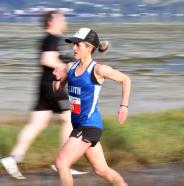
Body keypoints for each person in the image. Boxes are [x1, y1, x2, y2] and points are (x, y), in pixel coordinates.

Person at [0, 11, 80, 179]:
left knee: (37, 123)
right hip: (53, 86)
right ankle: (63, 162)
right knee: (70, 119)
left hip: (45, 85)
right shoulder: (52, 38)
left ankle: (13, 158)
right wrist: (68, 69)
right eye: (61, 18)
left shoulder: (49, 39)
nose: (64, 20)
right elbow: (47, 60)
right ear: (51, 22)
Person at [52, 27, 131, 186]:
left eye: (78, 45)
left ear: (89, 48)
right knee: (101, 169)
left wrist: (124, 106)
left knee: (61, 163)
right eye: (73, 44)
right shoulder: (70, 68)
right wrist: (56, 78)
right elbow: (57, 90)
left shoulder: (98, 70)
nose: (73, 48)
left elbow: (126, 80)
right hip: (79, 125)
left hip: (90, 126)